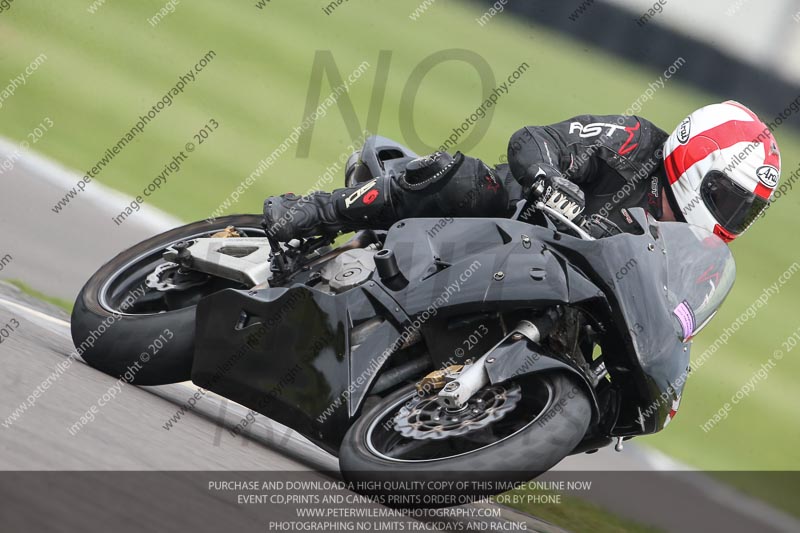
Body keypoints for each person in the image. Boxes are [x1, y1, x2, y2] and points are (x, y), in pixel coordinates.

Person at [263, 101, 781, 243]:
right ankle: (314, 211)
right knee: (469, 182)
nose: (733, 216)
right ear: (697, 159)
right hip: (500, 222)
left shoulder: (688, 246)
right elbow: (538, 139)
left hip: (549, 288)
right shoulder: (634, 141)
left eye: (745, 211)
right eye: (730, 198)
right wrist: (548, 177)